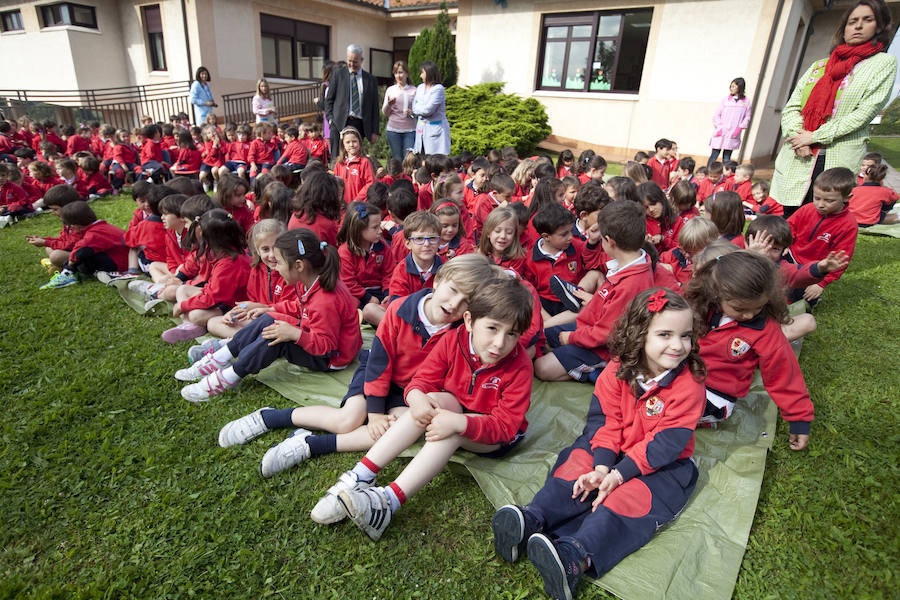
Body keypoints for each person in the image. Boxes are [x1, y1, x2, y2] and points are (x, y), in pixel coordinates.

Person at [491, 288, 706, 600]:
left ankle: (575, 556)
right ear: (639, 334)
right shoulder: (616, 370)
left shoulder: (690, 385)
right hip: (612, 449)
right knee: (577, 469)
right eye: (665, 335)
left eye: (685, 336)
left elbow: (666, 444)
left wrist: (618, 476)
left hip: (661, 466)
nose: (678, 345)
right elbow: (605, 421)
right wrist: (602, 466)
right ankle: (531, 518)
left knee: (627, 501)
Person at [333, 276, 534, 542]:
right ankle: (361, 474)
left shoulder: (520, 365)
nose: (500, 343)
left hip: (495, 438)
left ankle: (387, 502)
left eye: (512, 334)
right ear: (469, 321)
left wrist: (460, 424)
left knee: (451, 429)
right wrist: (415, 396)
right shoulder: (453, 341)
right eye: (493, 328)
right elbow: (423, 380)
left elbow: (505, 426)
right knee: (432, 403)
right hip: (457, 408)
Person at [176, 228, 362, 402]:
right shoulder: (308, 280)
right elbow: (299, 305)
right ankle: (221, 356)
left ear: (298, 265)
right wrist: (270, 309)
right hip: (313, 335)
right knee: (268, 319)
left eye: (279, 262)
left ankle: (230, 376)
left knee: (276, 339)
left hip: (333, 358)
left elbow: (326, 346)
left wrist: (295, 334)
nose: (276, 268)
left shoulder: (325, 300)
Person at [771, 0, 897, 215]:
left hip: (836, 154)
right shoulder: (819, 66)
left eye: (867, 20)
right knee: (792, 217)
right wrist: (798, 137)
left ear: (879, 26)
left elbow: (864, 113)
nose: (857, 26)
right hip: (799, 153)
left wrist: (814, 137)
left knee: (825, 218)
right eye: (852, 21)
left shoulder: (883, 63)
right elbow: (792, 107)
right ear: (844, 28)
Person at [684, 251, 815, 447]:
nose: (749, 315)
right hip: (685, 378)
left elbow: (784, 374)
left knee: (663, 413)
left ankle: (704, 420)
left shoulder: (765, 330)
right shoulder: (702, 307)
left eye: (758, 308)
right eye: (740, 309)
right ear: (716, 293)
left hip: (715, 396)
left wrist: (800, 420)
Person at [161, 209, 251, 344]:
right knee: (182, 290)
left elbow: (213, 298)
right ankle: (189, 326)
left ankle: (194, 324)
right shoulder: (220, 251)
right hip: (219, 299)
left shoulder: (230, 262)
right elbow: (210, 288)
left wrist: (183, 306)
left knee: (196, 315)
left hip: (231, 305)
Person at [785, 167, 858, 303]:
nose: (821, 205)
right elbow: (789, 228)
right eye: (817, 198)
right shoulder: (807, 209)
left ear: (847, 198)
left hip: (816, 269)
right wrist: (783, 243)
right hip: (790, 257)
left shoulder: (848, 225)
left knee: (801, 300)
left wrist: (821, 283)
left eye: (829, 201)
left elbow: (840, 258)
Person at [39, 201, 129, 289]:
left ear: (75, 226)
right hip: (124, 259)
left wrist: (69, 267)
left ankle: (68, 275)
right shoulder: (101, 226)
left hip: (119, 264)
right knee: (77, 253)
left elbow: (79, 250)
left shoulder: (93, 234)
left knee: (82, 255)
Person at [324, 45, 380, 160]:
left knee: (356, 157)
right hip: (339, 122)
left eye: (355, 61)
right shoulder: (338, 75)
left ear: (361, 60)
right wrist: (330, 119)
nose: (352, 64)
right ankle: (336, 177)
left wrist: (375, 131)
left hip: (359, 123)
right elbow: (329, 100)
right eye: (349, 61)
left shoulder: (370, 79)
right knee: (337, 157)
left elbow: (374, 107)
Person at [708, 78, 752, 167]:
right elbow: (717, 114)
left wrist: (739, 128)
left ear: (740, 87)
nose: (731, 88)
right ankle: (707, 172)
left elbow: (747, 117)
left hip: (733, 133)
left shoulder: (745, 102)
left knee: (727, 157)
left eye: (733, 86)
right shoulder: (725, 100)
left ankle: (725, 175)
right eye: (731, 86)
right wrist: (719, 127)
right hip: (721, 132)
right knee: (714, 154)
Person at [412, 61, 451, 155]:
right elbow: (414, 105)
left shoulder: (438, 89)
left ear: (429, 73)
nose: (420, 76)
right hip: (421, 131)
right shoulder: (420, 87)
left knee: (435, 162)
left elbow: (428, 110)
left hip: (435, 132)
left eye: (422, 73)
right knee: (421, 159)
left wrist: (417, 109)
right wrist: (418, 109)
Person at [382, 61, 417, 160]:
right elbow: (385, 112)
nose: (399, 75)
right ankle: (398, 176)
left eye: (401, 72)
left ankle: (407, 176)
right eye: (396, 73)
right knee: (397, 158)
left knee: (408, 159)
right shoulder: (391, 90)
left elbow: (417, 113)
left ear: (406, 73)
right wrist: (389, 104)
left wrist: (412, 113)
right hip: (393, 130)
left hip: (410, 130)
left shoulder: (414, 90)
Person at [848, 159, 898, 225]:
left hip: (851, 220)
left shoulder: (854, 190)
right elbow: (895, 198)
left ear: (865, 176)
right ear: (881, 178)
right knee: (891, 209)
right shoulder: (886, 191)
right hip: (872, 221)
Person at [333, 127, 374, 203]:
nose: (351, 144)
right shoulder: (339, 163)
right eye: (348, 142)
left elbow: (370, 183)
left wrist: (358, 199)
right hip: (342, 205)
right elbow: (335, 183)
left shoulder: (364, 162)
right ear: (343, 145)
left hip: (359, 204)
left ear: (359, 143)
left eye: (354, 141)